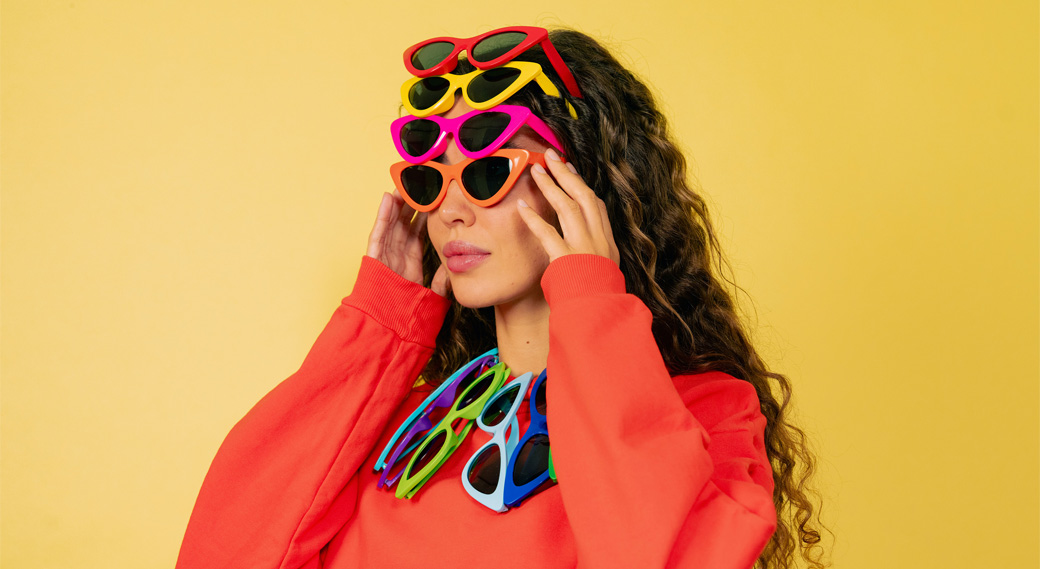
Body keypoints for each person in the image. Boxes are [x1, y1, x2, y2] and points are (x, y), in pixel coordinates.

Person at [176, 27, 825, 569]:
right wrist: (379, 330)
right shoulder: (407, 425)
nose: (450, 208)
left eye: (488, 172)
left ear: (586, 188)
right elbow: (223, 552)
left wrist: (592, 303)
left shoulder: (707, 412)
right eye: (434, 177)